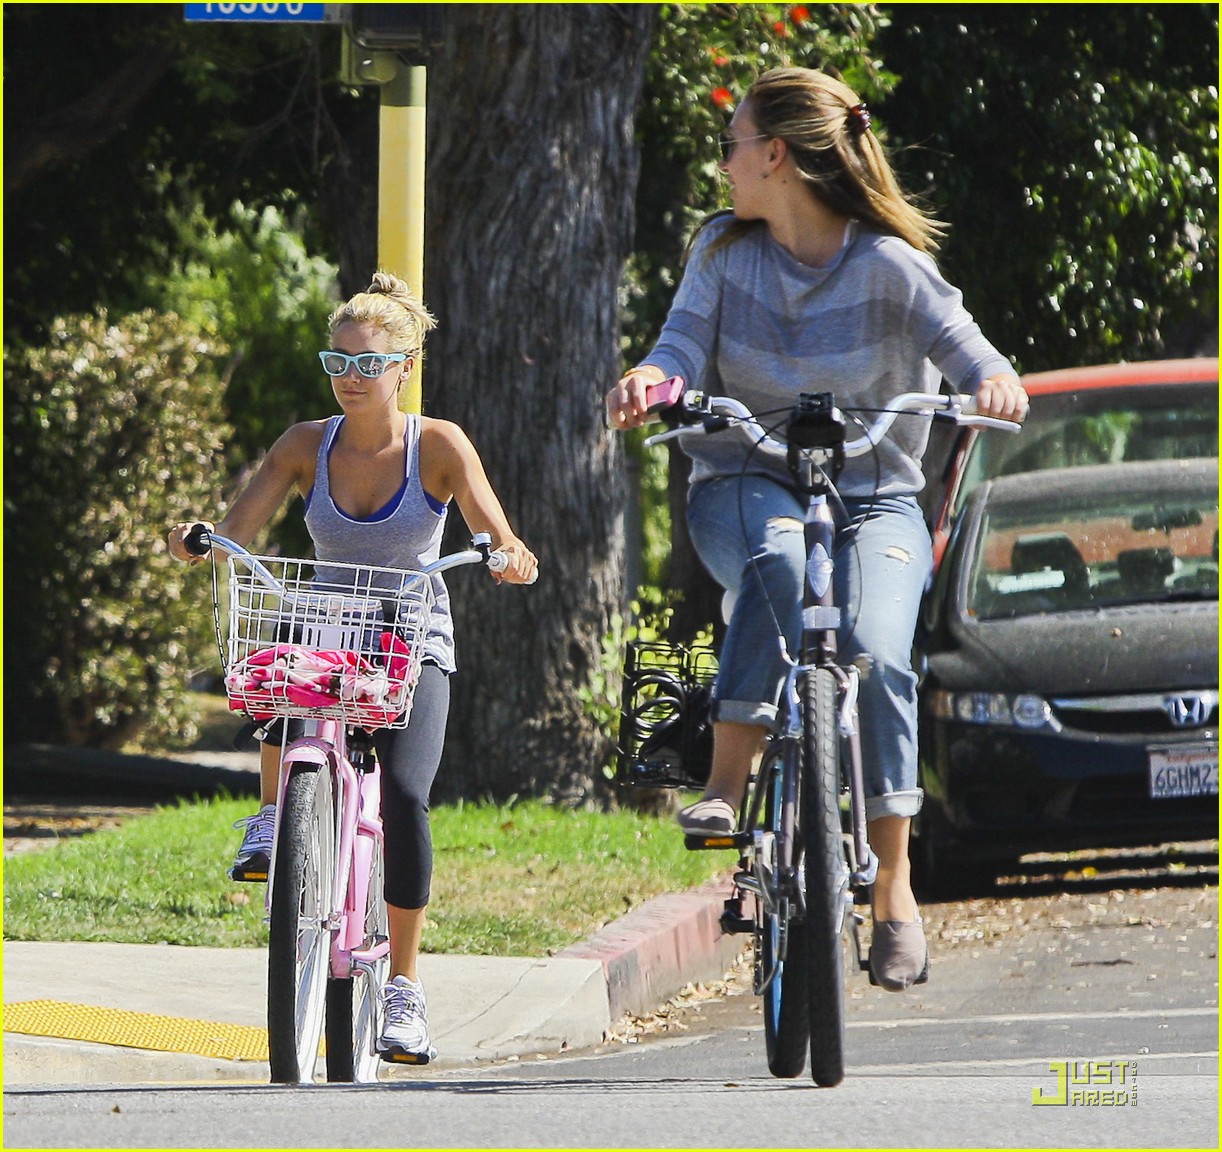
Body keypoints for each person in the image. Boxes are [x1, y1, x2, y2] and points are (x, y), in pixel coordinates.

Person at [605, 68, 1027, 992]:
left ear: (777, 156)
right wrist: (653, 380)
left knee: (879, 650)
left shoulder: (890, 266)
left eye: (731, 145)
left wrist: (992, 382)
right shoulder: (723, 253)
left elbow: (970, 349)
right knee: (780, 559)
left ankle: (895, 892)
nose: (724, 164)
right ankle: (725, 783)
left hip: (875, 497)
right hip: (746, 478)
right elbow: (678, 347)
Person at [169, 272, 537, 1061]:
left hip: (411, 644)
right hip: (330, 635)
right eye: (337, 362)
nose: (350, 378)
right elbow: (239, 527)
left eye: (369, 365)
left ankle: (404, 986)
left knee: (405, 796)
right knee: (272, 667)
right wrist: (201, 536)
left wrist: (507, 552)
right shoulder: (306, 444)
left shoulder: (437, 445)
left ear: (405, 368)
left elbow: (490, 523)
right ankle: (276, 816)